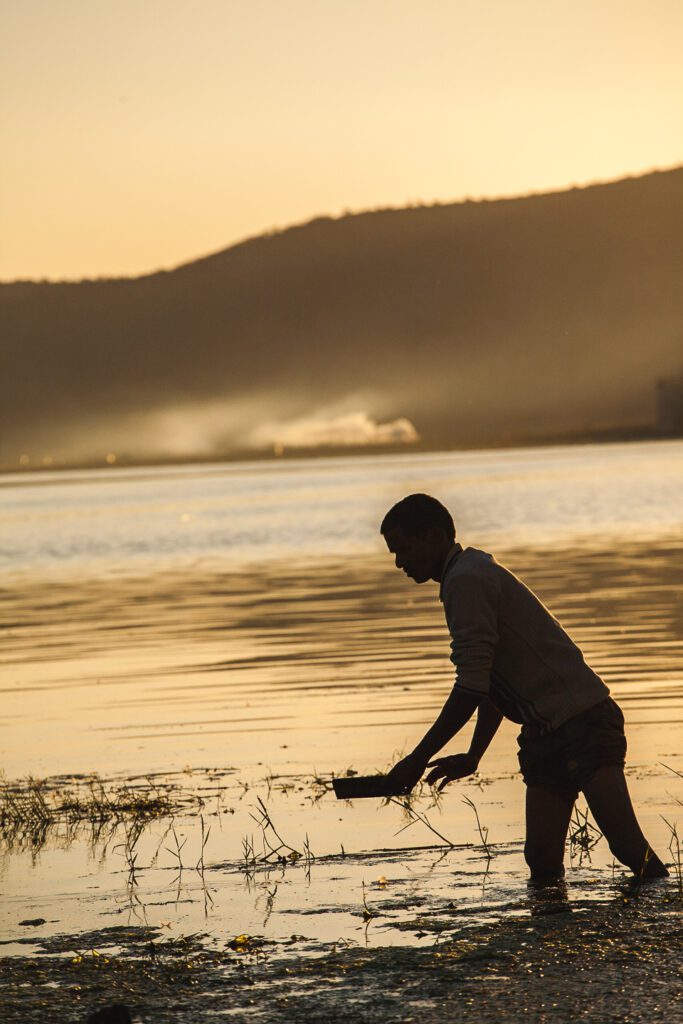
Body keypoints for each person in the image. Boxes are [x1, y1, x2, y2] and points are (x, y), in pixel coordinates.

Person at [381, 493, 668, 881]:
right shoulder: (465, 574)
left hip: (583, 723)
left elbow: (469, 688)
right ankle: (557, 941)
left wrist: (416, 759)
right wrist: (473, 754)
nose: (399, 563)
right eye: (394, 554)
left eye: (404, 549)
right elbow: (488, 684)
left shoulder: (466, 579)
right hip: (544, 733)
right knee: (542, 862)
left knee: (627, 847)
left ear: (434, 536)